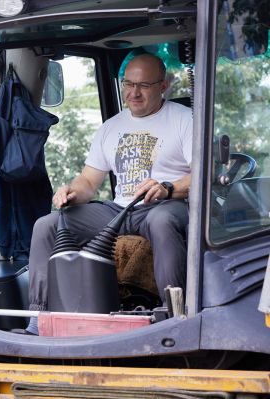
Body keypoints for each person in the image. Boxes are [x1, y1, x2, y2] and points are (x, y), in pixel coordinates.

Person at [25, 53, 193, 335]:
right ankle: (38, 318)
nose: (133, 93)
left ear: (163, 86)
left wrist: (167, 188)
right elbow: (90, 181)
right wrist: (71, 192)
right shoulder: (111, 127)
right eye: (128, 84)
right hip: (119, 210)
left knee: (162, 222)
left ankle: (175, 316)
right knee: (47, 225)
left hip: (165, 205)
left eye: (144, 86)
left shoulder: (184, 119)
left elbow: (204, 174)